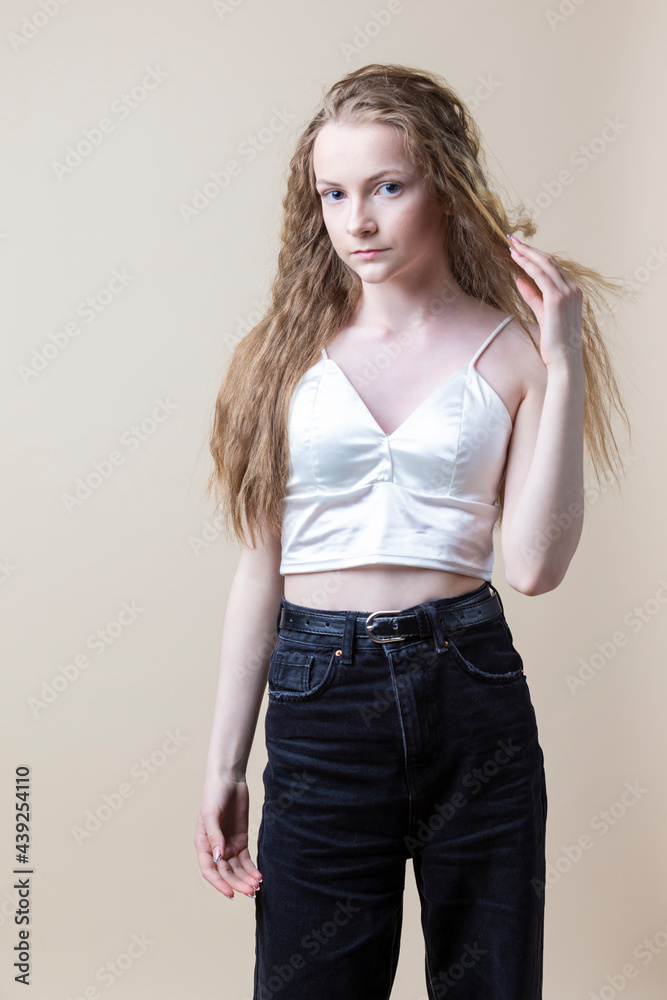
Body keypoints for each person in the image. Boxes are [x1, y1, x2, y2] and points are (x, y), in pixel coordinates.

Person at [194, 63, 631, 1000]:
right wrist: (226, 763)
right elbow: (259, 570)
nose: (356, 221)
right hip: (318, 697)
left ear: (446, 186)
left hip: (469, 688)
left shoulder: (513, 352)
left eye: (387, 187)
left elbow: (534, 566)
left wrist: (561, 361)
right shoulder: (277, 358)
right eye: (334, 193)